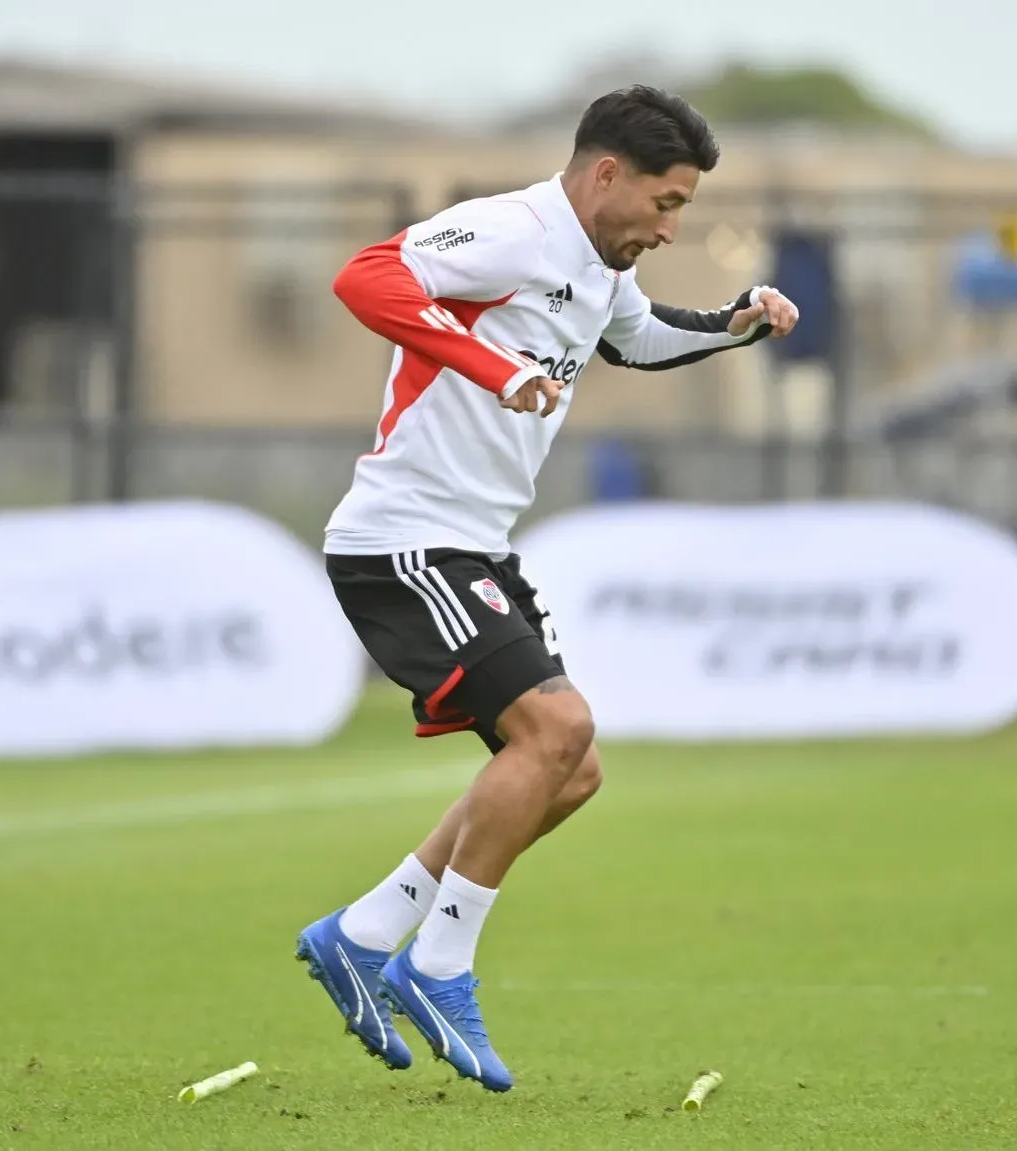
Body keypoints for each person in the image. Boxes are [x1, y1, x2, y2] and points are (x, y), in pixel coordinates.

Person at [294, 85, 800, 1092]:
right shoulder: (515, 229)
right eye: (665, 202)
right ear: (606, 174)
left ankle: (366, 932)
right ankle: (438, 963)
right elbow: (365, 277)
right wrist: (492, 366)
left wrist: (735, 325)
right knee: (555, 730)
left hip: (472, 547)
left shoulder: (600, 263)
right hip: (404, 541)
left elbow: (635, 338)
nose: (670, 227)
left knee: (570, 768)